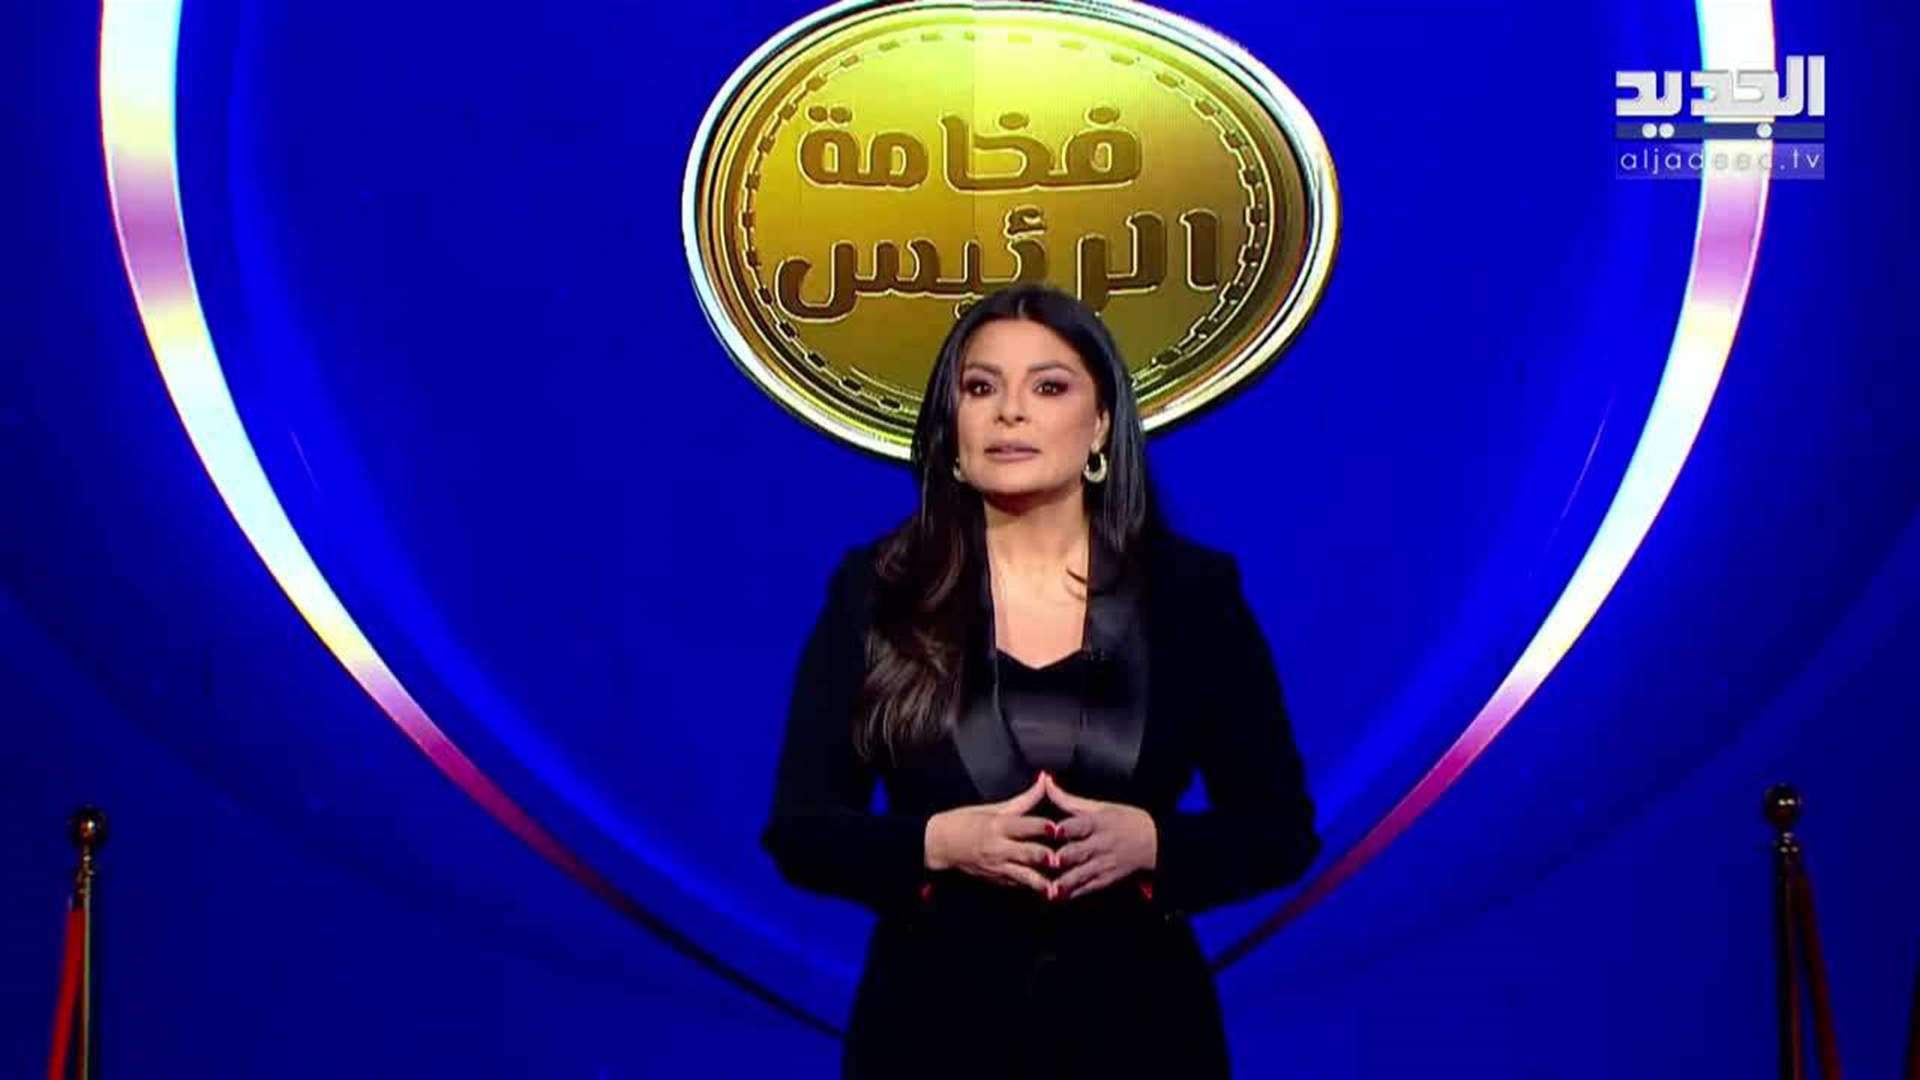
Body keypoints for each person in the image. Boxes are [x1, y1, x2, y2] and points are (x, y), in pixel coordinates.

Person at [761, 284, 1319, 1079]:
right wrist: (937, 845)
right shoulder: (878, 593)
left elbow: (1280, 829)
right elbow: (802, 828)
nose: (1010, 412)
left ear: (1101, 425)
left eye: (1048, 387)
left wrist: (1155, 844)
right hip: (930, 1040)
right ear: (952, 428)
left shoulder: (1193, 596)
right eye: (980, 387)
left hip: (1144, 1040)